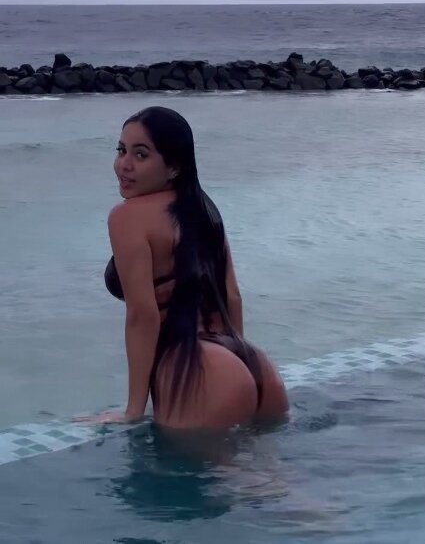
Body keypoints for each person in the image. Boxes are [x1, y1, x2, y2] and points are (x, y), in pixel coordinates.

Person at [77, 106, 288, 429]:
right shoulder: (203, 208)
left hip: (197, 372)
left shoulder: (126, 216)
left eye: (141, 154)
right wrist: (237, 362)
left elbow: (143, 315)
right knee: (260, 462)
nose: (124, 165)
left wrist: (133, 409)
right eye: (121, 150)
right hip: (255, 366)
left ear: (174, 167)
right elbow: (232, 295)